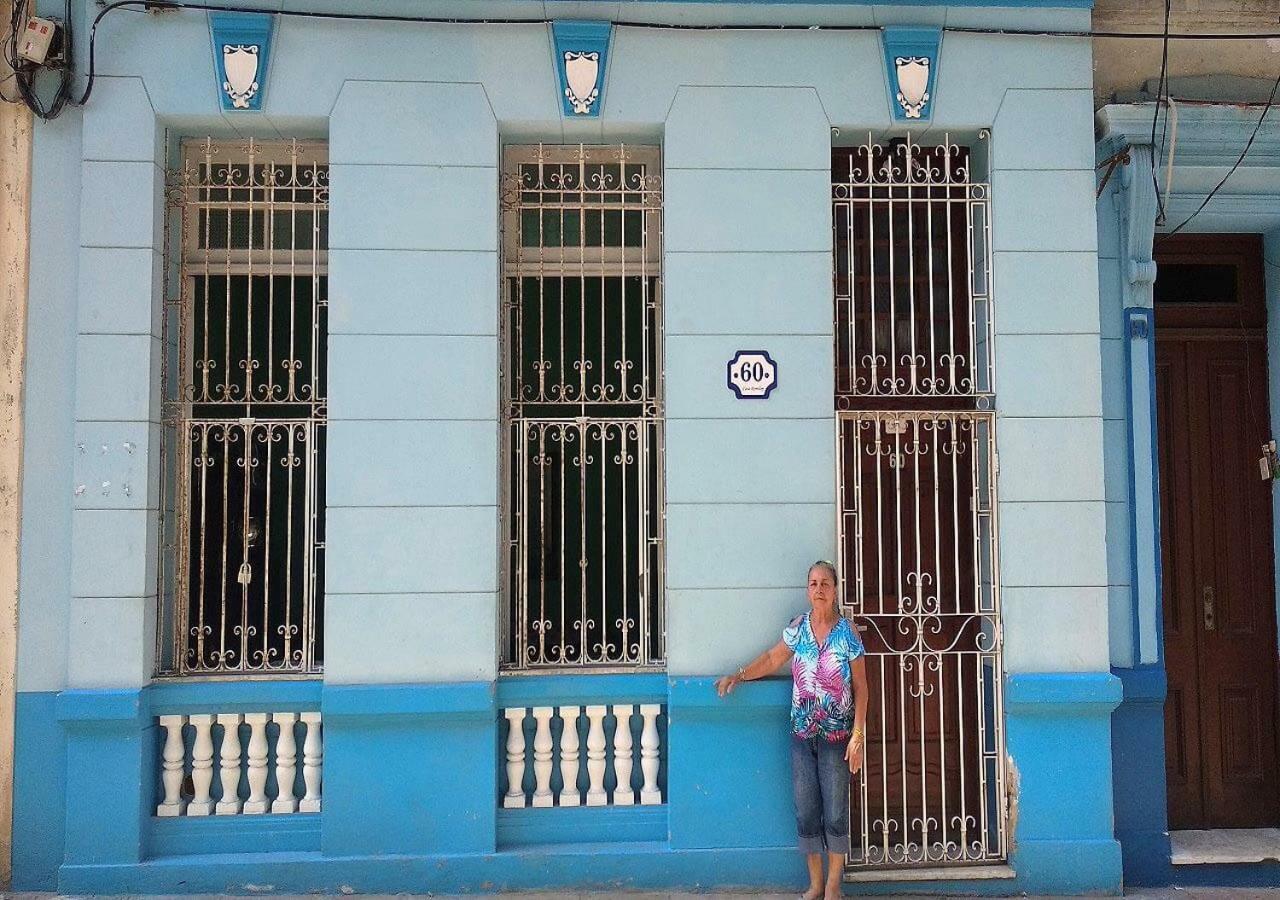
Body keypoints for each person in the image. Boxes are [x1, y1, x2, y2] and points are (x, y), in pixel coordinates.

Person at [715, 560, 869, 900]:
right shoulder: (798, 629)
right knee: (806, 809)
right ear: (807, 590)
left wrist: (857, 736)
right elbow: (772, 658)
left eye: (825, 584)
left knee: (836, 809)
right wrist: (738, 675)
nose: (819, 590)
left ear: (835, 589)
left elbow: (862, 687)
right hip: (802, 736)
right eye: (813, 584)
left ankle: (833, 887)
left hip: (836, 738)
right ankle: (815, 884)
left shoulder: (848, 633)